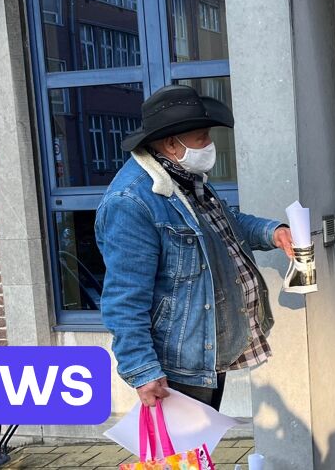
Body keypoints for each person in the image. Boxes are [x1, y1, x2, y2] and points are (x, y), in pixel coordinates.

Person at [96, 85, 294, 410]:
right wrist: (142, 370)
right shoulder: (131, 202)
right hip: (176, 363)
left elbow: (227, 222)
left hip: (204, 345)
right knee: (181, 458)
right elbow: (124, 299)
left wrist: (273, 232)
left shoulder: (183, 176)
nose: (210, 145)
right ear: (172, 144)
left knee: (196, 453)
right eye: (202, 136)